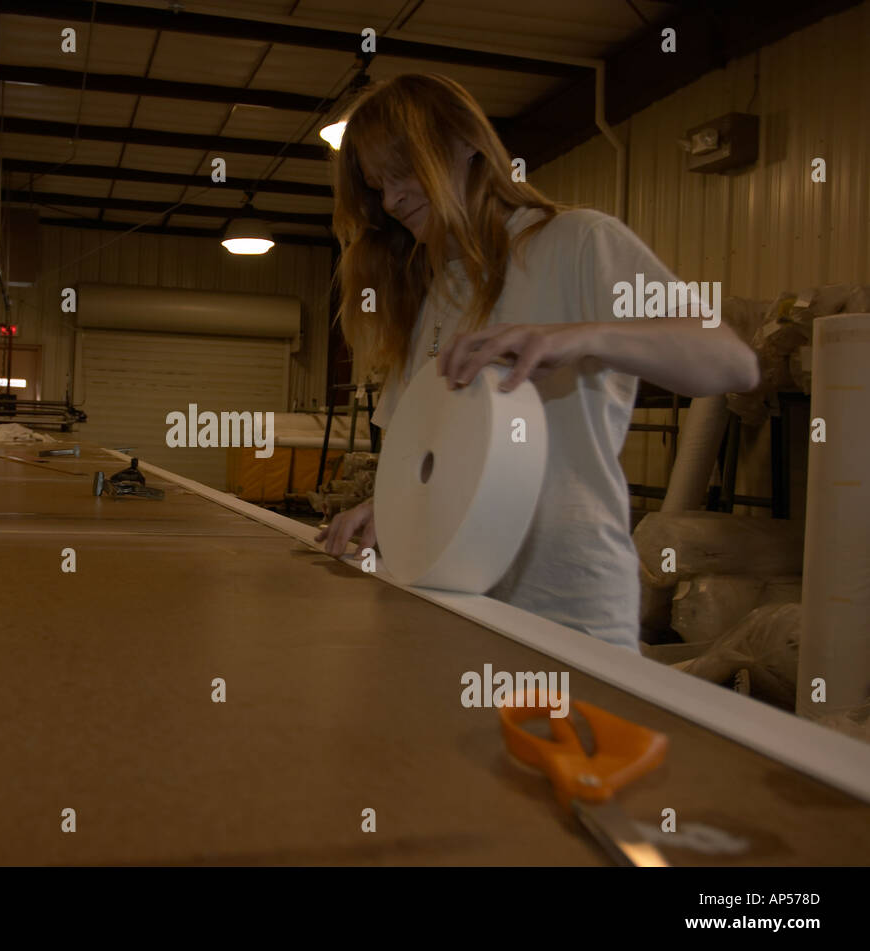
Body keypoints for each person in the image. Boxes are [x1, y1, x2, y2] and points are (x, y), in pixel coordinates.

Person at [314, 73, 759, 650]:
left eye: (402, 173)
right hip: (448, 596)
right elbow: (445, 457)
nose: (392, 200)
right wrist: (387, 508)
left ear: (466, 144)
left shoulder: (578, 242)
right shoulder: (433, 295)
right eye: (377, 187)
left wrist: (585, 335)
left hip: (565, 609)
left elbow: (732, 364)